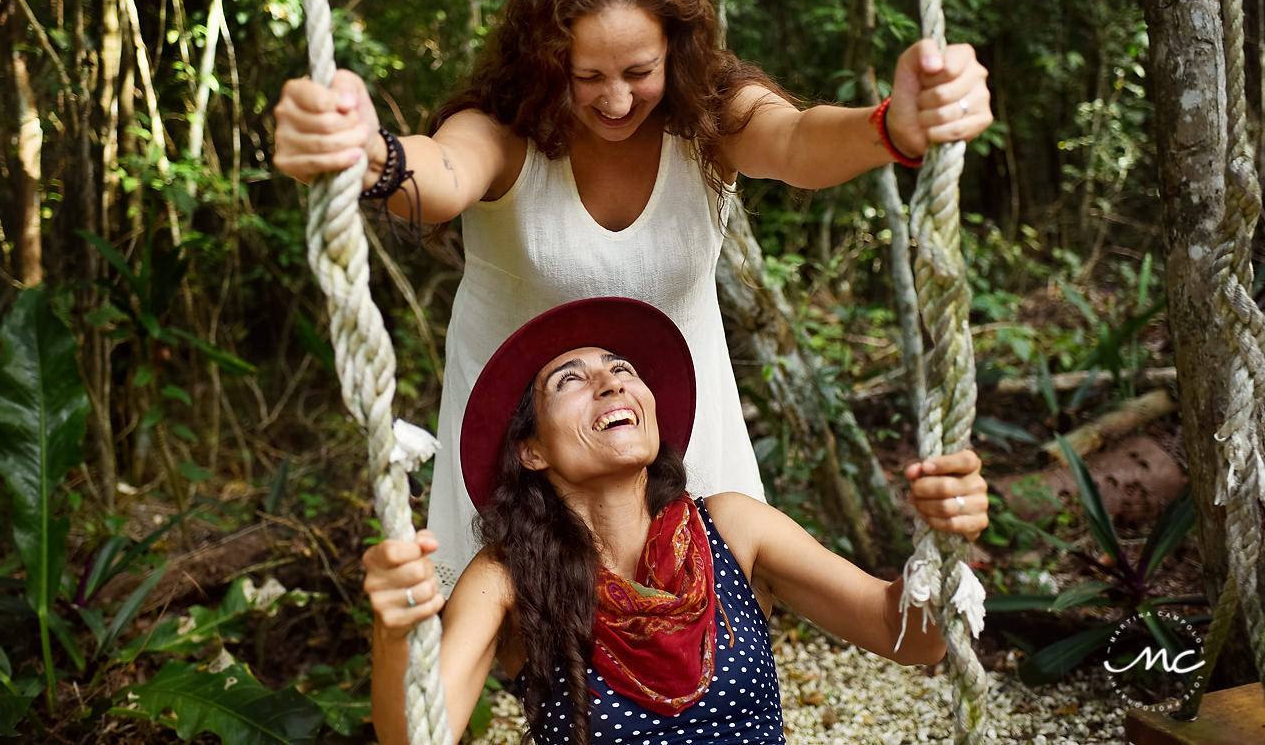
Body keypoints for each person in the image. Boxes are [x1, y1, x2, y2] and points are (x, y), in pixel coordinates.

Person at [274, 0, 993, 593]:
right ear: (545, 59)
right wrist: (368, 154)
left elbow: (799, 141)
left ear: (674, 51)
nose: (616, 100)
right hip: (532, 452)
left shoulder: (709, 111)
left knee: (714, 632)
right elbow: (442, 174)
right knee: (530, 654)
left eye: (638, 72)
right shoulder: (504, 126)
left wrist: (893, 127)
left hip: (682, 430)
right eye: (587, 77)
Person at [362, 297, 989, 745]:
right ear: (533, 451)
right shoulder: (507, 578)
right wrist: (394, 631)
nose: (610, 385)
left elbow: (908, 636)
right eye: (571, 380)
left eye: (622, 370)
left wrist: (940, 544)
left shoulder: (734, 529)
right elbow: (419, 734)